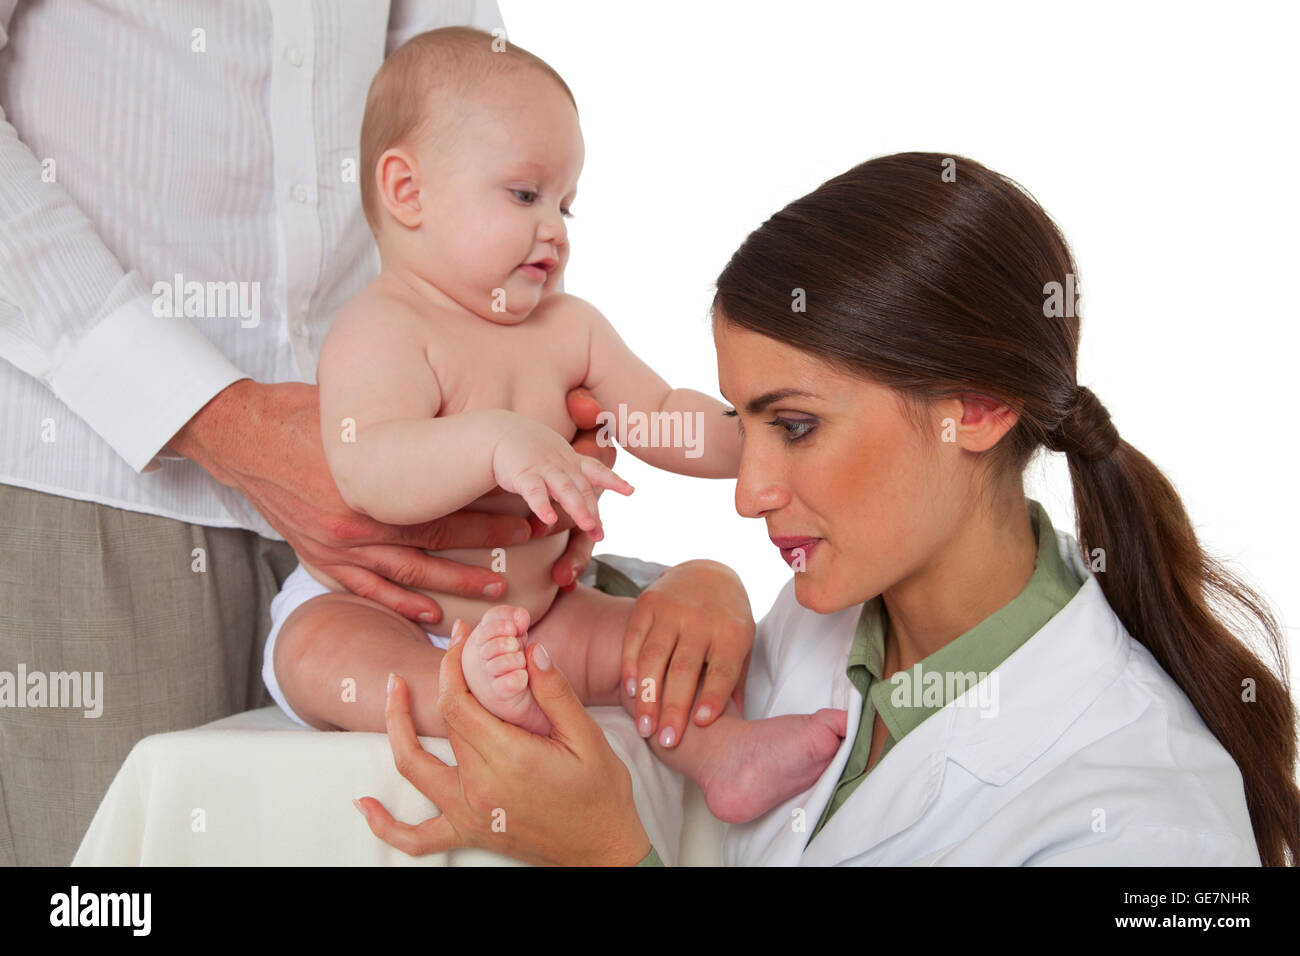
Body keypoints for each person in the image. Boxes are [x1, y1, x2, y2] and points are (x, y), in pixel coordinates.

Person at [354, 152, 1300, 866]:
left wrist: (613, 856)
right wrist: (700, 580)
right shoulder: (825, 629)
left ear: (974, 408)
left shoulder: (1150, 829)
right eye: (742, 424)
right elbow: (613, 639)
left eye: (796, 426)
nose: (749, 490)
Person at [0, 0, 608, 867]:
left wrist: (543, 391)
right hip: (98, 464)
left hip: (408, 480)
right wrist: (209, 411)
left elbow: (458, 80)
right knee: (114, 883)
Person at [264, 28, 848, 825]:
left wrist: (761, 430)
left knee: (645, 643)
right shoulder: (383, 328)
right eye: (524, 195)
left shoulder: (570, 327)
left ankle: (721, 753)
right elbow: (372, 468)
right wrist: (498, 441)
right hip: (387, 615)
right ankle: (458, 701)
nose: (557, 228)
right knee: (314, 654)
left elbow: (660, 416)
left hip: (540, 614)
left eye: (566, 203)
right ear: (408, 192)